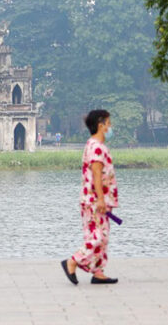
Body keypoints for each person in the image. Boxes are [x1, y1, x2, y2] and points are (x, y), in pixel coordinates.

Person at [61, 109, 119, 285]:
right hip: (95, 200)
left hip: (98, 200)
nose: (111, 127)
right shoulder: (96, 147)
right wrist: (100, 199)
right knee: (98, 236)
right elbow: (96, 174)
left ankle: (98, 272)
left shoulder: (96, 145)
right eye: (109, 124)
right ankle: (73, 261)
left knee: (101, 236)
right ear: (101, 126)